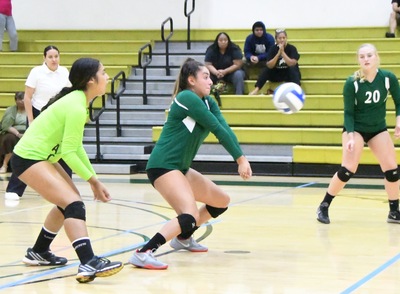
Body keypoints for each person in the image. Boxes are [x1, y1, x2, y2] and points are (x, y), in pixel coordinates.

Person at [128, 58, 252, 270]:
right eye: (205, 77)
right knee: (189, 215)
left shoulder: (208, 102)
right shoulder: (186, 97)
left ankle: (184, 238)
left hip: (180, 168)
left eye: (210, 77)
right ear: (191, 80)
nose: (211, 82)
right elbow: (215, 127)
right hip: (163, 166)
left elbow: (224, 128)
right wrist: (239, 159)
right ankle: (144, 252)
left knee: (221, 201)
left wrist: (241, 155)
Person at [12, 57, 124, 283]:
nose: (107, 77)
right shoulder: (75, 104)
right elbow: (70, 152)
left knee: (68, 204)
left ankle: (39, 251)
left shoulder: (78, 103)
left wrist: (95, 179)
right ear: (91, 80)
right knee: (74, 204)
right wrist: (93, 181)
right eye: (103, 73)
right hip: (29, 157)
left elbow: (74, 148)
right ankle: (88, 261)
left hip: (44, 156)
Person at [316, 43, 400, 224]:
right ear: (358, 60)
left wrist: (398, 120)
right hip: (356, 128)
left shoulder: (387, 78)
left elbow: (399, 102)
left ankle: (394, 212)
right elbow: (348, 113)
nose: (366, 59)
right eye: (362, 56)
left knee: (392, 170)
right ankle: (324, 205)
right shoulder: (352, 82)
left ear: (376, 57)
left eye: (369, 55)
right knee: (348, 169)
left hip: (378, 128)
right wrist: (351, 136)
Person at [4, 45, 72, 201]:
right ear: (44, 58)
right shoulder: (36, 72)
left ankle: (66, 186)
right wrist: (31, 120)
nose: (54, 59)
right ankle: (14, 189)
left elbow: (68, 94)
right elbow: (27, 97)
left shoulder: (64, 72)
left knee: (61, 150)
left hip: (57, 116)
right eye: (50, 57)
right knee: (29, 151)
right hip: (38, 115)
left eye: (56, 56)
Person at [249, 29, 301, 95]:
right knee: (266, 70)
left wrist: (283, 53)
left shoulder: (292, 48)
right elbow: (269, 65)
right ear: (276, 40)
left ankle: (298, 90)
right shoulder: (272, 49)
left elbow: (292, 63)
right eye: (279, 38)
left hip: (288, 73)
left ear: (286, 38)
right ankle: (256, 89)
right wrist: (278, 54)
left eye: (284, 38)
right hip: (277, 73)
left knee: (293, 69)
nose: (282, 40)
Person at [0, 91, 25, 173]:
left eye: (24, 99)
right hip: (14, 132)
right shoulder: (10, 110)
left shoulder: (32, 109)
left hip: (28, 132)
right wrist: (18, 134)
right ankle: (5, 165)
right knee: (9, 139)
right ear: (16, 100)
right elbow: (6, 126)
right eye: (20, 99)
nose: (22, 101)